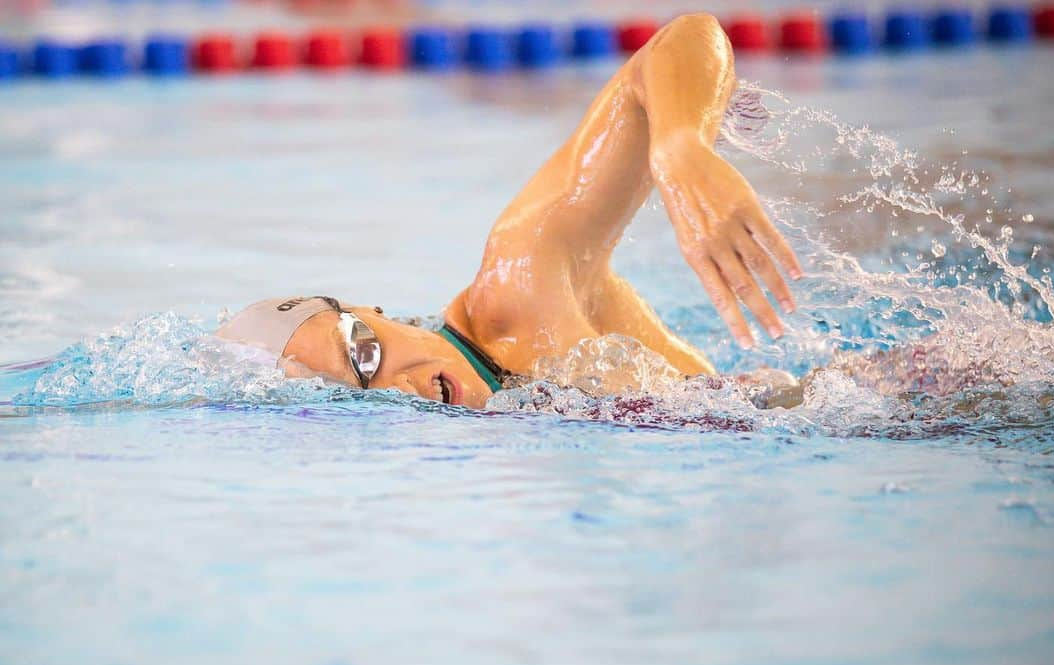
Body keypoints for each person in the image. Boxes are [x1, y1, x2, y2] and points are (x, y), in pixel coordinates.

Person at [216, 13, 804, 409]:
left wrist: (681, 144)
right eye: (357, 399)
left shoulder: (520, 281)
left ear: (374, 311)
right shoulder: (495, 408)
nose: (397, 389)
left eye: (364, 352)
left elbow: (684, 37)